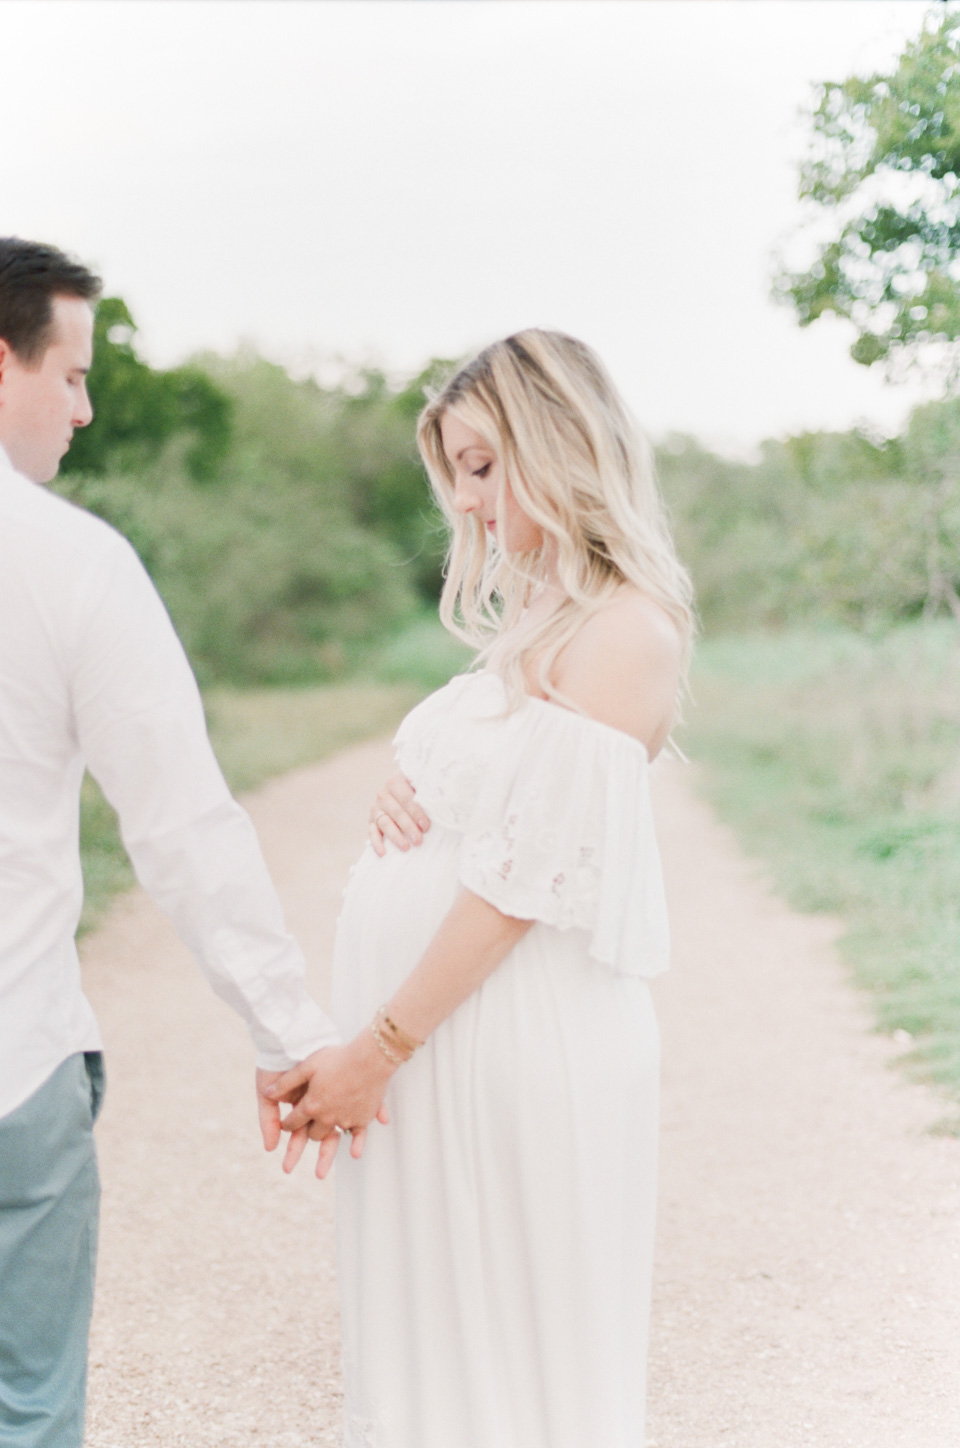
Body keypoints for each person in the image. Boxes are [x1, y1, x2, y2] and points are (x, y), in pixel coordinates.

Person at [268, 330, 694, 1448]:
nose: (466, 502)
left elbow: (517, 886)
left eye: (480, 465)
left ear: (558, 445)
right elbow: (488, 810)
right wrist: (406, 794)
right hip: (454, 1048)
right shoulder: (532, 625)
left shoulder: (625, 629)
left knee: (514, 1367)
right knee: (436, 1366)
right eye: (458, 471)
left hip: (514, 1048)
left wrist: (376, 1049)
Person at [0, 237, 348, 1448]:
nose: (85, 409)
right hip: (11, 1063)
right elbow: (183, 825)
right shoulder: (70, 562)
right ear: (2, 362)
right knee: (26, 1411)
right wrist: (292, 1033)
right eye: (73, 373)